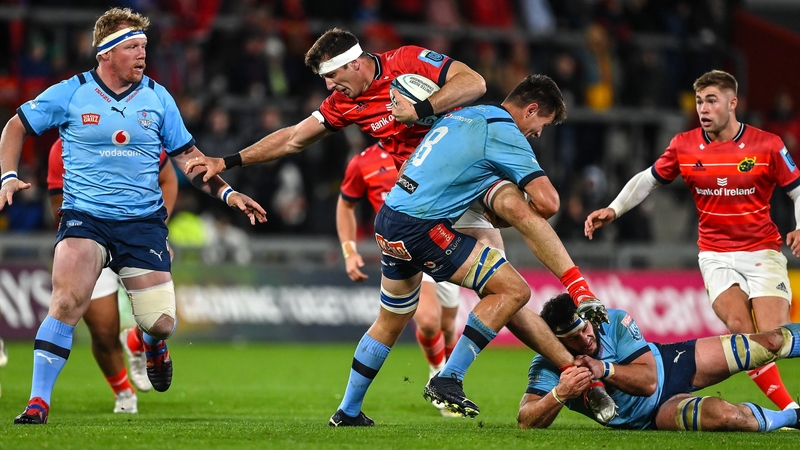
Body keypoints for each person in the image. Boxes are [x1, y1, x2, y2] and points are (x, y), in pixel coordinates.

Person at [184, 28, 611, 424]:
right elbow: (294, 137)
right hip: (419, 194)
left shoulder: (406, 60)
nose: (330, 87)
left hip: (462, 172)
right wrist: (229, 160)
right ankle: (571, 371)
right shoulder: (343, 102)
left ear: (355, 62)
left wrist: (421, 108)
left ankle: (352, 410)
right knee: (507, 287)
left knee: (498, 271)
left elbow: (474, 83)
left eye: (333, 76)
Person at [0, 7, 266, 425]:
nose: (143, 53)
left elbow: (191, 162)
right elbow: (16, 125)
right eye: (132, 46)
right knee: (66, 301)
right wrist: (9, 176)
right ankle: (38, 403)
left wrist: (229, 194)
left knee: (160, 323)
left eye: (145, 45)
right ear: (105, 54)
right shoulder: (71, 92)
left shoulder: (160, 98)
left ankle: (151, 345)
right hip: (85, 217)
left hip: (142, 223)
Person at [585, 69, 800, 411]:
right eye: (700, 101)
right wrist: (614, 209)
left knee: (773, 339)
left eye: (711, 101)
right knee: (740, 331)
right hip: (714, 255)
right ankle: (792, 410)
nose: (703, 108)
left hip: (762, 252)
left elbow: (797, 191)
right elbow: (648, 179)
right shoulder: (684, 145)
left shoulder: (768, 144)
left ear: (733, 103)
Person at [518, 293, 800, 431]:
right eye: (573, 338)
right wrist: (560, 394)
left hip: (670, 363)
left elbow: (649, 381)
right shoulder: (547, 364)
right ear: (556, 342)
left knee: (769, 343)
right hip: (653, 415)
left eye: (584, 328)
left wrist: (604, 369)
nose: (586, 339)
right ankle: (794, 417)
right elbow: (526, 420)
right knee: (728, 416)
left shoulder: (611, 320)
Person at [46, 138, 178, 413]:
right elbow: (58, 205)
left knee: (158, 320)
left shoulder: (136, 134)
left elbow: (168, 178)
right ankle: (123, 392)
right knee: (104, 332)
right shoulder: (62, 148)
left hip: (138, 237)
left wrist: (157, 232)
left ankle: (140, 342)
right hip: (91, 240)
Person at [337, 142, 461, 417]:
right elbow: (345, 206)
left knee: (449, 326)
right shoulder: (363, 162)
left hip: (445, 240)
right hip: (406, 249)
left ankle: (445, 377)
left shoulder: (431, 144)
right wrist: (349, 251)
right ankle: (439, 377)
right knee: (428, 321)